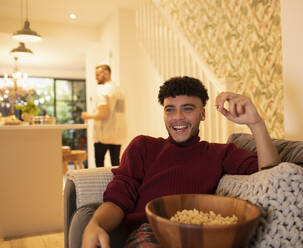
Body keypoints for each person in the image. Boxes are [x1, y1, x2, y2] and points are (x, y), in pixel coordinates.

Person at [81, 76, 280, 248]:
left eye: (187, 109)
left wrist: (256, 123)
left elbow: (272, 176)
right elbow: (118, 198)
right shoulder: (143, 147)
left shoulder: (220, 153)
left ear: (202, 114)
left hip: (201, 234)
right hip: (151, 232)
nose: (177, 118)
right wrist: (95, 224)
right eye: (170, 110)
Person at [81, 64, 125, 167]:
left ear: (107, 73)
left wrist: (87, 116)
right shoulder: (119, 90)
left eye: (97, 74)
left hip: (103, 135)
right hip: (117, 134)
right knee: (116, 165)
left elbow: (103, 114)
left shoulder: (103, 90)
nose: (95, 78)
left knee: (99, 167)